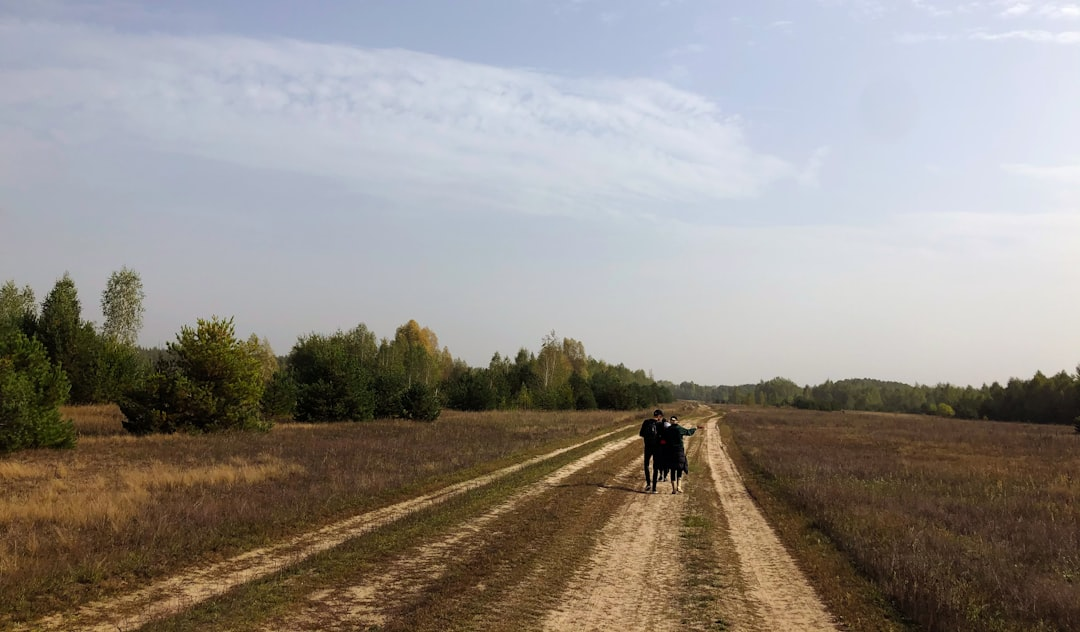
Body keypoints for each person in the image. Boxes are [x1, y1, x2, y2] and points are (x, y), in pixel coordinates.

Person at [663, 414, 696, 494]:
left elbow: (664, 439)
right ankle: (679, 486)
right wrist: (694, 428)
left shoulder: (668, 430)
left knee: (673, 470)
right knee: (680, 468)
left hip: (670, 451)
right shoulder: (679, 428)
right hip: (679, 450)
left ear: (670, 421)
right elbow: (688, 432)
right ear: (677, 421)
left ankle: (674, 489)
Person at [638, 409, 664, 493]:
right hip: (656, 448)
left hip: (647, 447)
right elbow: (663, 438)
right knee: (655, 467)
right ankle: (654, 488)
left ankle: (648, 483)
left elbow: (641, 434)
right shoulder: (660, 424)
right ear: (659, 416)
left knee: (646, 465)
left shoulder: (646, 422)